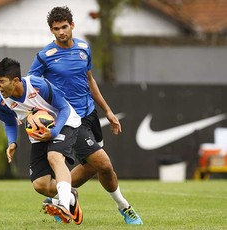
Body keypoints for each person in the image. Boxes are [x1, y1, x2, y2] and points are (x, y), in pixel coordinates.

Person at [28, 6, 143, 225]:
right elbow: (31, 86)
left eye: (64, 27)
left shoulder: (84, 48)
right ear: (50, 30)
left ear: (72, 25)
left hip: (90, 114)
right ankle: (124, 207)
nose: (61, 32)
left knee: (94, 166)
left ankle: (64, 196)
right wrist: (37, 111)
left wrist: (108, 111)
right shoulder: (45, 56)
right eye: (56, 29)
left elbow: (89, 80)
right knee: (105, 164)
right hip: (70, 120)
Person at [0, 57, 82, 224]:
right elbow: (9, 122)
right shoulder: (1, 101)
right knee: (41, 184)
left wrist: (54, 132)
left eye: (1, 81)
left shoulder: (37, 85)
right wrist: (12, 142)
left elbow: (63, 108)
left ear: (16, 81)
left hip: (64, 122)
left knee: (54, 156)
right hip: (39, 133)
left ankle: (63, 204)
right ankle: (70, 196)